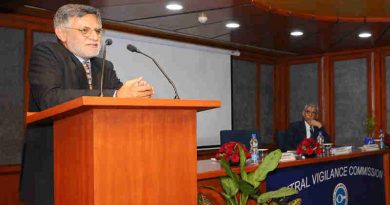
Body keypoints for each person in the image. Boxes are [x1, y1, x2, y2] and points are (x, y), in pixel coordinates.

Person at [19, 4, 154, 205]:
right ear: (61, 33)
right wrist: (118, 94)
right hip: (52, 169)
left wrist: (137, 94)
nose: (95, 36)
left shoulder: (104, 66)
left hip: (98, 166)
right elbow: (49, 98)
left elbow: (121, 101)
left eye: (98, 30)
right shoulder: (47, 53)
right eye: (85, 30)